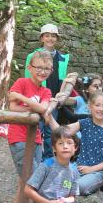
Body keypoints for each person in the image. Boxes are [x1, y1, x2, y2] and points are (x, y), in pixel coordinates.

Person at [1, 51, 52, 203]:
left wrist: (21, 98)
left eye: (47, 68)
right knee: (33, 176)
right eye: (39, 67)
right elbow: (12, 107)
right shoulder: (22, 82)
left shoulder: (46, 90)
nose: (42, 71)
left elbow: (42, 107)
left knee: (27, 178)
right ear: (30, 68)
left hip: (36, 139)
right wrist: (34, 108)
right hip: (19, 138)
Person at [48, 92, 103, 196]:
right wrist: (49, 115)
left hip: (98, 173)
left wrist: (91, 169)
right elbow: (60, 132)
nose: (101, 109)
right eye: (97, 105)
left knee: (78, 186)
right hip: (78, 168)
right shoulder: (85, 123)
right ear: (90, 106)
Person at [24, 24, 71, 159]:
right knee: (37, 127)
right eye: (47, 35)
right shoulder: (33, 56)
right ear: (42, 38)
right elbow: (28, 77)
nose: (50, 38)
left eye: (53, 36)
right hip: (37, 99)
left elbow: (61, 78)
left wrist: (60, 97)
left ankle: (49, 159)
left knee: (51, 131)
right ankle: (33, 158)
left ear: (57, 38)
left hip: (53, 100)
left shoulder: (62, 58)